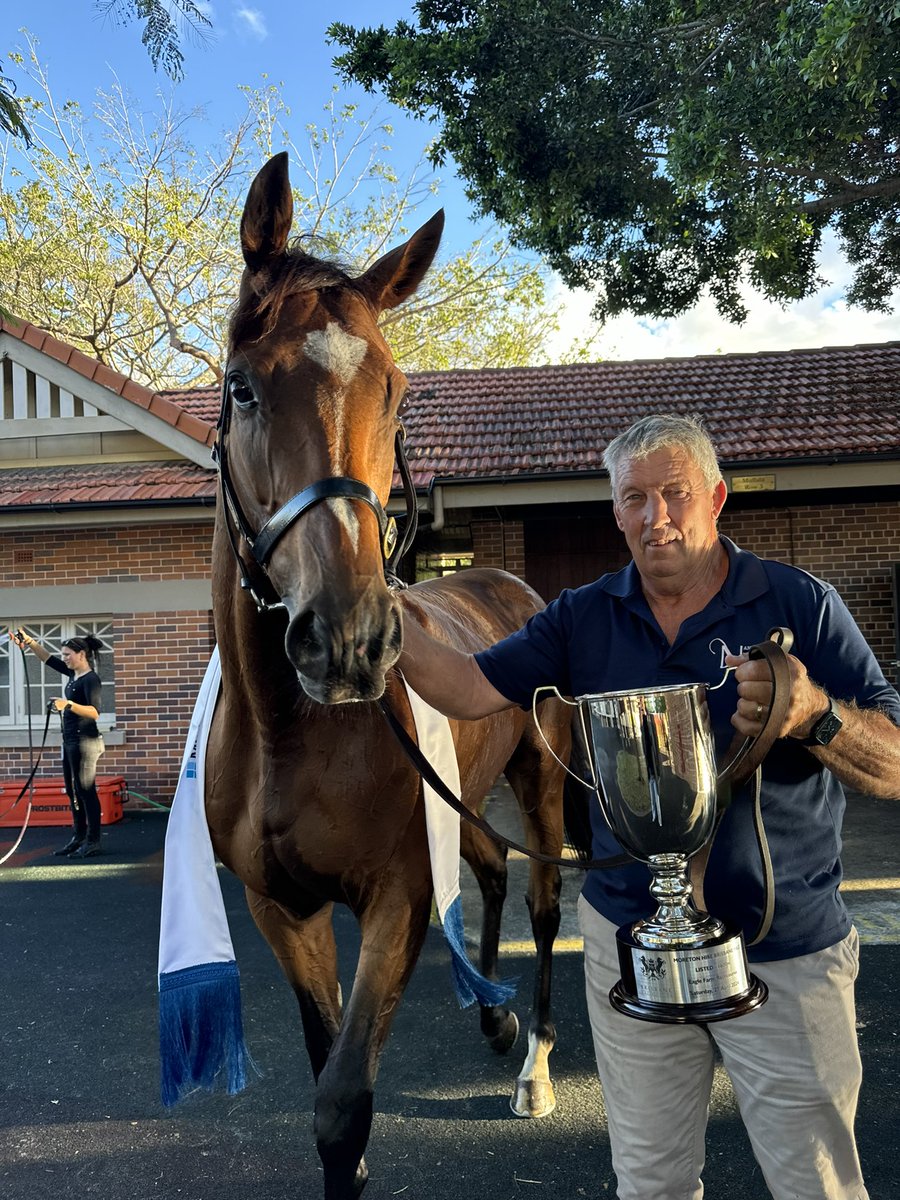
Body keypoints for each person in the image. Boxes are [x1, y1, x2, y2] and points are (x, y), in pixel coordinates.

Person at [397, 413, 900, 1200]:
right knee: (650, 1184)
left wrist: (815, 714)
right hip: (629, 945)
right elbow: (465, 686)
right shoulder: (582, 615)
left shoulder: (800, 604)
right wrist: (379, 608)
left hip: (785, 951)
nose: (655, 517)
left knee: (819, 1186)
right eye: (636, 498)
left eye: (675, 493)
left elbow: (898, 764)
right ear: (616, 511)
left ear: (716, 498)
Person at [10, 628, 106, 858]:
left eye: (67, 654)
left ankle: (92, 840)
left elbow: (94, 712)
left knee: (86, 791)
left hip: (87, 742)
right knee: (72, 791)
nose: (64, 658)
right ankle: (78, 836)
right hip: (70, 740)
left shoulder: (91, 679)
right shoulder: (73, 675)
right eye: (63, 654)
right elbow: (47, 659)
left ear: (81, 654)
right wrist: (30, 642)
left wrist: (67, 705)